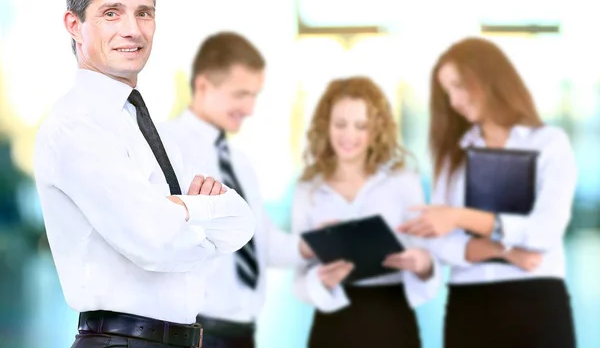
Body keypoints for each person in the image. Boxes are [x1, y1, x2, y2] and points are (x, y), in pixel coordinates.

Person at [33, 0, 255, 348]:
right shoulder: (74, 127)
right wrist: (204, 220)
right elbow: (158, 242)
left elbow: (241, 223)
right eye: (111, 12)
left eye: (144, 12)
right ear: (74, 23)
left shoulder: (149, 126)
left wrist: (182, 211)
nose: (132, 29)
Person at [399, 37, 577, 347]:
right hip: (470, 308)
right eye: (447, 92)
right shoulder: (453, 156)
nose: (453, 101)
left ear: (488, 77)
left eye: (458, 86)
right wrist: (503, 250)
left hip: (538, 303)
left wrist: (462, 218)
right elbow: (440, 247)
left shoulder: (549, 143)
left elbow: (545, 233)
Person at [161, 31, 313, 348]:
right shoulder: (164, 148)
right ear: (203, 86)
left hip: (241, 334)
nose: (250, 108)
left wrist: (325, 243)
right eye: (241, 94)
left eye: (255, 95)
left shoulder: (240, 162)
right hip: (191, 332)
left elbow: (264, 244)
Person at [291, 76, 441, 348]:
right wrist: (321, 280)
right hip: (333, 326)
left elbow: (426, 258)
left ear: (377, 129)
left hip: (392, 320)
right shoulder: (308, 189)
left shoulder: (402, 181)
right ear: (326, 126)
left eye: (361, 126)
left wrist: (423, 265)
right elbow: (299, 279)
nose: (349, 135)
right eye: (340, 124)